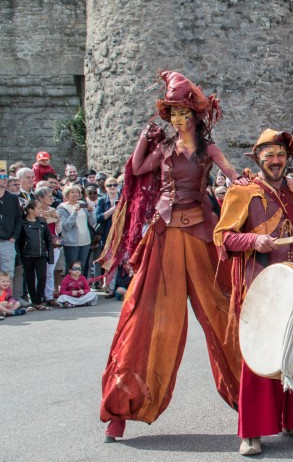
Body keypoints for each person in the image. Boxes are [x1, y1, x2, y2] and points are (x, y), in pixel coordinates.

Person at [100, 70, 244, 442]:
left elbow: (230, 174)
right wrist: (141, 141)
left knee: (222, 311)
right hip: (164, 238)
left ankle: (250, 394)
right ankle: (122, 409)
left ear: (196, 116)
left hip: (199, 235)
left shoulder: (207, 149)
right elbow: (135, 169)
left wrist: (245, 182)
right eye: (173, 115)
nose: (178, 120)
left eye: (184, 114)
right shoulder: (163, 149)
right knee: (149, 320)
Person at [214, 129, 293, 456]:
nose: (275, 161)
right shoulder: (242, 191)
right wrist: (253, 240)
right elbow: (224, 237)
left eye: (280, 156)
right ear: (258, 158)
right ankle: (253, 432)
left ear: (288, 159)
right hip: (260, 282)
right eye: (269, 156)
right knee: (259, 358)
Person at [19, 199, 55, 311]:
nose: (41, 210)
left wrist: (51, 256)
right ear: (30, 210)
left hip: (41, 254)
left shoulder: (42, 221)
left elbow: (48, 239)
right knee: (30, 279)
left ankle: (38, 300)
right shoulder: (22, 222)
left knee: (42, 277)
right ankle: (34, 301)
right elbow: (19, 241)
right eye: (38, 208)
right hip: (27, 255)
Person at [58, 183, 96, 279]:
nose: (75, 194)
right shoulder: (62, 208)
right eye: (72, 192)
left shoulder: (83, 205)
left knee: (81, 267)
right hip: (71, 242)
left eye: (77, 192)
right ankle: (69, 288)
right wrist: (74, 212)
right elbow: (66, 226)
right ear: (67, 194)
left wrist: (91, 211)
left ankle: (81, 287)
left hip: (85, 241)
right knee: (71, 267)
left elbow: (93, 222)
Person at [34, 187, 62, 306]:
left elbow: (58, 231)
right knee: (39, 272)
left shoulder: (53, 210)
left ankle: (49, 296)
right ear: (40, 198)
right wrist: (42, 219)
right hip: (39, 245)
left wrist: (58, 220)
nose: (52, 198)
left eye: (52, 196)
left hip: (53, 245)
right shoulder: (34, 211)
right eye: (49, 196)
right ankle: (38, 296)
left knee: (50, 272)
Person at [95, 177, 121, 294]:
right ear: (105, 187)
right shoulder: (102, 200)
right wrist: (113, 209)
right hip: (108, 234)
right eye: (109, 185)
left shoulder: (123, 198)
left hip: (121, 233)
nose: (112, 187)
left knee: (120, 259)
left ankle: (117, 283)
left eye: (114, 185)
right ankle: (107, 284)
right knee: (108, 260)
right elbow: (99, 218)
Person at [0, 167, 22, 279]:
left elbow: (19, 218)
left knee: (8, 275)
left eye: (6, 177)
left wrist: (14, 237)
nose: (5, 179)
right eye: (2, 177)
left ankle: (7, 297)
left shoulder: (13, 198)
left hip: (7, 242)